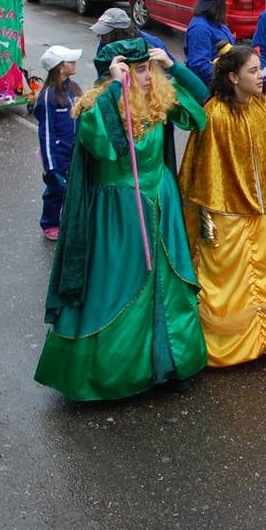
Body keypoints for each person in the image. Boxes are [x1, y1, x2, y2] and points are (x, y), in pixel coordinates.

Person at [35, 39, 210, 401]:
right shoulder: (96, 107)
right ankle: (114, 374)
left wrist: (172, 67)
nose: (147, 76)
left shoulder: (156, 100)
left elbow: (200, 112)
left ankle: (166, 362)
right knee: (121, 285)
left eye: (148, 68)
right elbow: (105, 145)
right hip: (120, 212)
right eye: (139, 70)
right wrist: (116, 86)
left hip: (161, 205)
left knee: (165, 281)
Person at [178, 43, 266, 366]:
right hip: (227, 215)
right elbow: (203, 171)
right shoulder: (213, 116)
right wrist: (206, 214)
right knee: (227, 277)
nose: (261, 76)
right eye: (253, 71)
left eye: (260, 69)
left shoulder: (265, 109)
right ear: (232, 77)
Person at [33, 45, 82, 241]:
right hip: (57, 155)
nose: (74, 64)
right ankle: (50, 223)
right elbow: (46, 132)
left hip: (74, 151)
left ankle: (70, 221)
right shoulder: (48, 96)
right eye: (70, 62)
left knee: (73, 189)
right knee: (55, 190)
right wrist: (50, 166)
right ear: (60, 67)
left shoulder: (73, 89)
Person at [183, 0, 235, 87]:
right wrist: (228, 78)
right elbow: (199, 66)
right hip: (211, 89)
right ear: (218, 0)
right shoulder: (200, 28)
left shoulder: (217, 21)